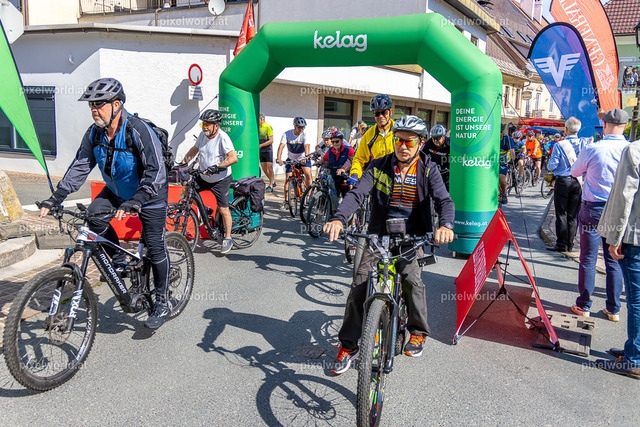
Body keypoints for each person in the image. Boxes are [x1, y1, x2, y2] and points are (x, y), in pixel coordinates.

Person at [323, 115, 455, 374]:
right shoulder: (379, 166)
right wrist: (339, 218)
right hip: (379, 236)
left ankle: (417, 332)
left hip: (413, 237)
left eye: (409, 142)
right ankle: (349, 346)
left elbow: (444, 201)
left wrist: (445, 226)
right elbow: (357, 194)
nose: (403, 146)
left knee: (411, 279)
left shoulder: (428, 168)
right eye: (399, 140)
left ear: (420, 143)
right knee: (359, 286)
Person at [39, 78, 171, 329]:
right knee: (94, 216)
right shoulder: (94, 133)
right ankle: (119, 259)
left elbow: (156, 171)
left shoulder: (138, 130)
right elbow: (80, 166)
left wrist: (137, 200)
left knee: (155, 247)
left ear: (117, 104)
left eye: (99, 104)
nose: (94, 110)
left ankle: (162, 301)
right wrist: (57, 197)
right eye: (91, 105)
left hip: (150, 193)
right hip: (116, 191)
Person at [570, 108, 630, 320]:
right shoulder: (631, 150)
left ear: (604, 125)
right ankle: (613, 309)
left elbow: (574, 172)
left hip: (593, 208)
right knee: (614, 259)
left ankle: (584, 305)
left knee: (588, 257)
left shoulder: (593, 148)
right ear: (626, 126)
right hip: (619, 210)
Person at [596, 139, 640, 379]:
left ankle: (634, 359)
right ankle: (634, 349)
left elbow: (625, 197)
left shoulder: (635, 150)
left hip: (635, 236)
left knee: (636, 300)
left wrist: (614, 237)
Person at [181, 109, 239, 255]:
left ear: (216, 126)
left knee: (223, 209)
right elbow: (194, 150)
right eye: (203, 124)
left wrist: (217, 167)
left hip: (220, 179)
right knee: (187, 190)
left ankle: (228, 238)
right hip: (204, 176)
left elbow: (233, 158)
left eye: (208, 124)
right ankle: (204, 210)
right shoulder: (203, 135)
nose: (205, 127)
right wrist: (183, 163)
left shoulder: (223, 137)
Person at [546, 117, 589, 253]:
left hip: (563, 181)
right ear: (578, 129)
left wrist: (549, 165)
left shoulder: (560, 144)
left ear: (566, 129)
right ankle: (570, 244)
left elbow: (552, 165)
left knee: (561, 213)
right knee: (572, 215)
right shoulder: (584, 143)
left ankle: (561, 244)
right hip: (578, 181)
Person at [347, 94, 396, 186]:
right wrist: (355, 173)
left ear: (391, 112)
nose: (381, 116)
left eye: (384, 112)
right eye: (377, 113)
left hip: (397, 178)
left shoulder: (398, 130)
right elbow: (359, 158)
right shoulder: (369, 134)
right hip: (379, 179)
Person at [277, 117, 312, 206]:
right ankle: (286, 201)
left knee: (308, 174)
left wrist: (306, 157)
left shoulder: (305, 134)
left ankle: (308, 196)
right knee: (287, 179)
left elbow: (307, 146)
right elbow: (281, 146)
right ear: (295, 126)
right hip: (291, 159)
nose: (301, 129)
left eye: (303, 127)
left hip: (303, 158)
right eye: (299, 127)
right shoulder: (287, 134)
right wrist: (279, 158)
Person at [321, 130, 355, 197]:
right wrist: (317, 162)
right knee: (331, 197)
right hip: (334, 178)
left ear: (342, 141)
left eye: (337, 141)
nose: (335, 144)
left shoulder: (349, 150)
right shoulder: (330, 150)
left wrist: (344, 169)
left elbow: (353, 161)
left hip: (345, 179)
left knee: (346, 199)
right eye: (333, 142)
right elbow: (324, 159)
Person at [423, 124, 451, 190]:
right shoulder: (429, 143)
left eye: (438, 138)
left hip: (447, 174)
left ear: (443, 136)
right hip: (434, 172)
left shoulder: (449, 144)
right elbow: (422, 154)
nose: (435, 141)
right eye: (433, 138)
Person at [258, 113, 275, 193]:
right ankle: (272, 181)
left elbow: (271, 140)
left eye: (258, 119)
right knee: (264, 168)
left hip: (268, 150)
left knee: (269, 167)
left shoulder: (268, 126)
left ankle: (271, 185)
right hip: (261, 150)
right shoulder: (258, 127)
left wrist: (261, 145)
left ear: (261, 119)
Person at [498, 125, 515, 204]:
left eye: (500, 132)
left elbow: (512, 150)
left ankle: (504, 194)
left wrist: (512, 160)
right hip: (492, 161)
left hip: (503, 162)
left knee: (502, 179)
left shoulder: (507, 139)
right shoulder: (492, 138)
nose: (499, 134)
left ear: (503, 131)